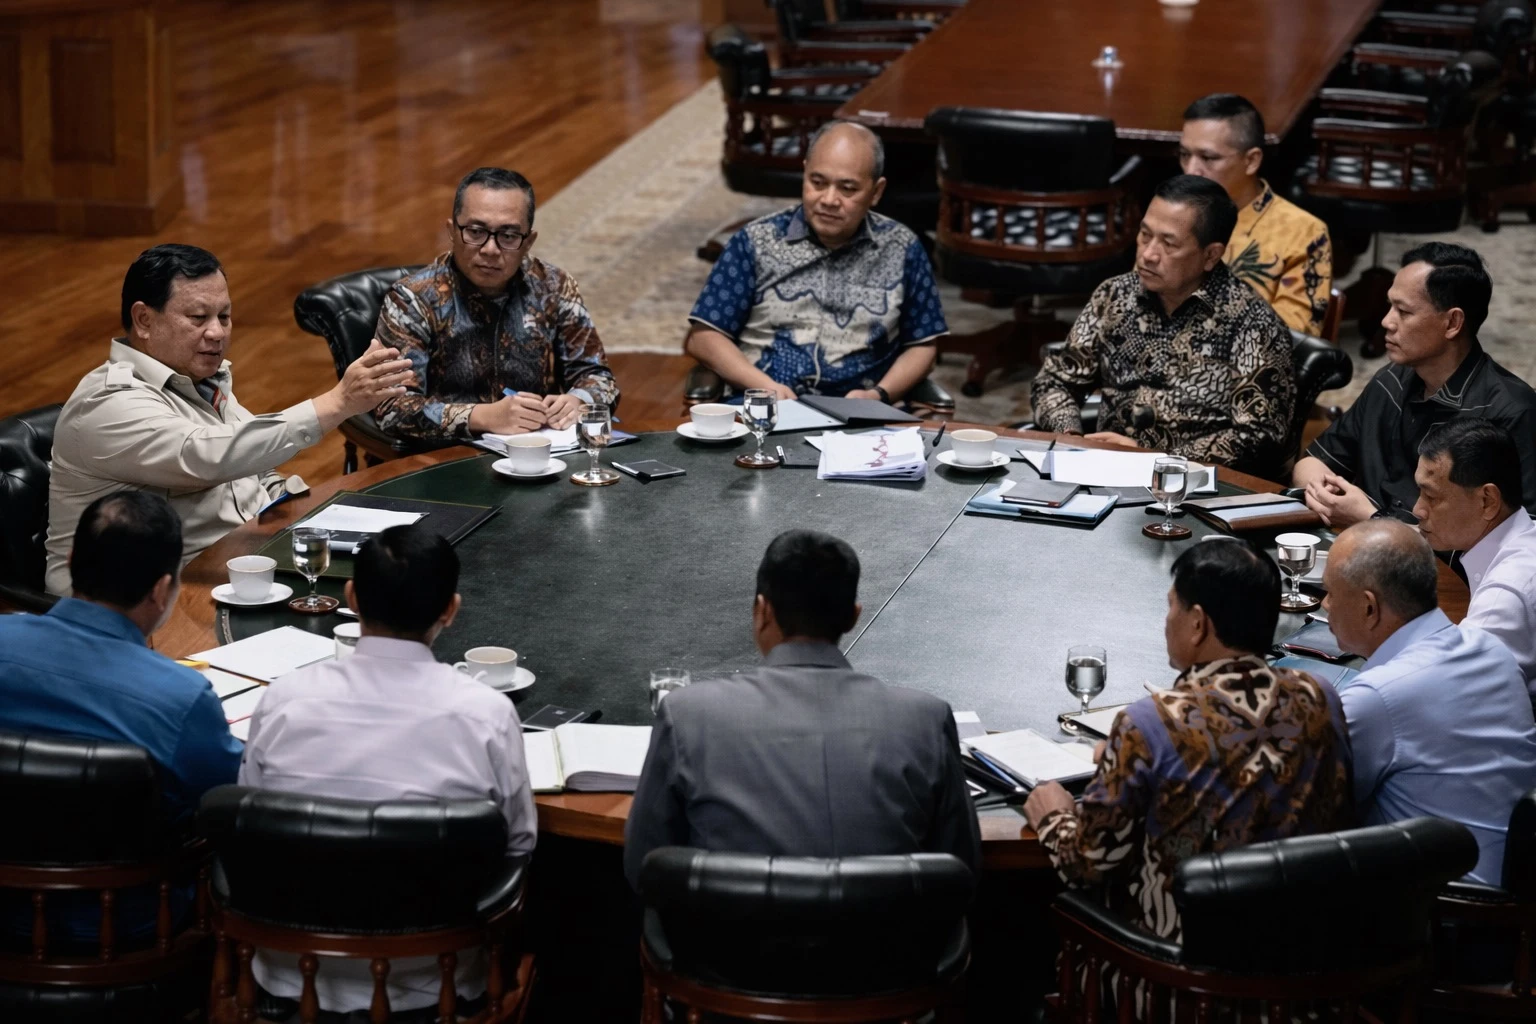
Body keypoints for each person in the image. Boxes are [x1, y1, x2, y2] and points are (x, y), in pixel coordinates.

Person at [239, 522, 536, 1017]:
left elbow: (250, 821)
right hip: (433, 980)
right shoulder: (487, 713)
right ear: (451, 610)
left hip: (291, 970)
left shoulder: (284, 699)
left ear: (351, 597)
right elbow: (518, 846)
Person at [1024, 539, 1352, 941]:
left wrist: (1053, 815)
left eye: (1171, 606)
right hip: (1305, 973)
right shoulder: (1320, 696)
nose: (1166, 620)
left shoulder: (1150, 722)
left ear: (1197, 623)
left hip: (1180, 983)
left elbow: (1087, 863)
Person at [44, 243, 415, 595]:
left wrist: (308, 511)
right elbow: (206, 457)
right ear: (143, 320)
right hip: (134, 602)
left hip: (228, 571)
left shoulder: (200, 380)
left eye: (224, 316)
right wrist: (338, 403)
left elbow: (253, 473)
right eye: (198, 318)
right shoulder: (107, 404)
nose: (217, 333)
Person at [623, 529, 980, 889]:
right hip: (889, 944)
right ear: (853, 616)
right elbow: (962, 868)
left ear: (762, 610)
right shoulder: (926, 719)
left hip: (724, 944)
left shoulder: (686, 714)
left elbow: (643, 864)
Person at [0, 492, 241, 943]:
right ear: (160, 590)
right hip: (128, 924)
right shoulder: (181, 699)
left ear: (71, 560)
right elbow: (232, 798)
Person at [1030, 174, 1297, 479]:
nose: (1148, 254)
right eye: (1145, 235)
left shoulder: (1253, 323)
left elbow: (1260, 438)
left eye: (1168, 244)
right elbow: (1054, 381)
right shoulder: (1115, 296)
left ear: (1211, 255)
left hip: (1195, 490)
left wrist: (1155, 459)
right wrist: (1070, 436)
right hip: (1103, 473)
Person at [1323, 519, 1536, 885]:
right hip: (1514, 880)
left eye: (1329, 592)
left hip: (1451, 910)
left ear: (1369, 608)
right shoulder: (1491, 650)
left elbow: (1313, 803)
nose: (1325, 605)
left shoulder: (1378, 696)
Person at [683, 121, 948, 403]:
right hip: (765, 413)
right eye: (817, 183)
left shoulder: (903, 248)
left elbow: (923, 346)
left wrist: (879, 395)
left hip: (861, 420)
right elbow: (703, 337)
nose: (829, 200)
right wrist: (763, 387)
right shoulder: (755, 241)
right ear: (805, 172)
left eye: (847, 189)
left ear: (876, 192)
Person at [1296, 242, 1536, 530]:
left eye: (1404, 312)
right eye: (1390, 306)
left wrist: (1372, 520)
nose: (1386, 321)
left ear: (1452, 322)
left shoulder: (1511, 412)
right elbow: (1311, 463)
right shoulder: (1391, 379)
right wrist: (1323, 493)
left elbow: (1520, 543)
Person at [372, 166, 619, 440]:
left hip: (536, 455)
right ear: (452, 231)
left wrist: (578, 400)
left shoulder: (554, 286)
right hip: (443, 459)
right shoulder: (412, 298)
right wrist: (483, 417)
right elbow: (392, 408)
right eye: (476, 232)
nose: (490, 249)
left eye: (508, 236)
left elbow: (600, 378)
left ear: (528, 242)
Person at [1179, 93, 1333, 336]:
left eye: (1208, 158)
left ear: (1251, 161)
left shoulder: (1304, 232)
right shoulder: (1171, 213)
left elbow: (1295, 337)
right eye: (1185, 155)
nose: (1190, 171)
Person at [1413, 418, 1536, 700]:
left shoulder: (1506, 595)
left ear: (1487, 501)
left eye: (1430, 496)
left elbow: (1441, 689)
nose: (1417, 509)